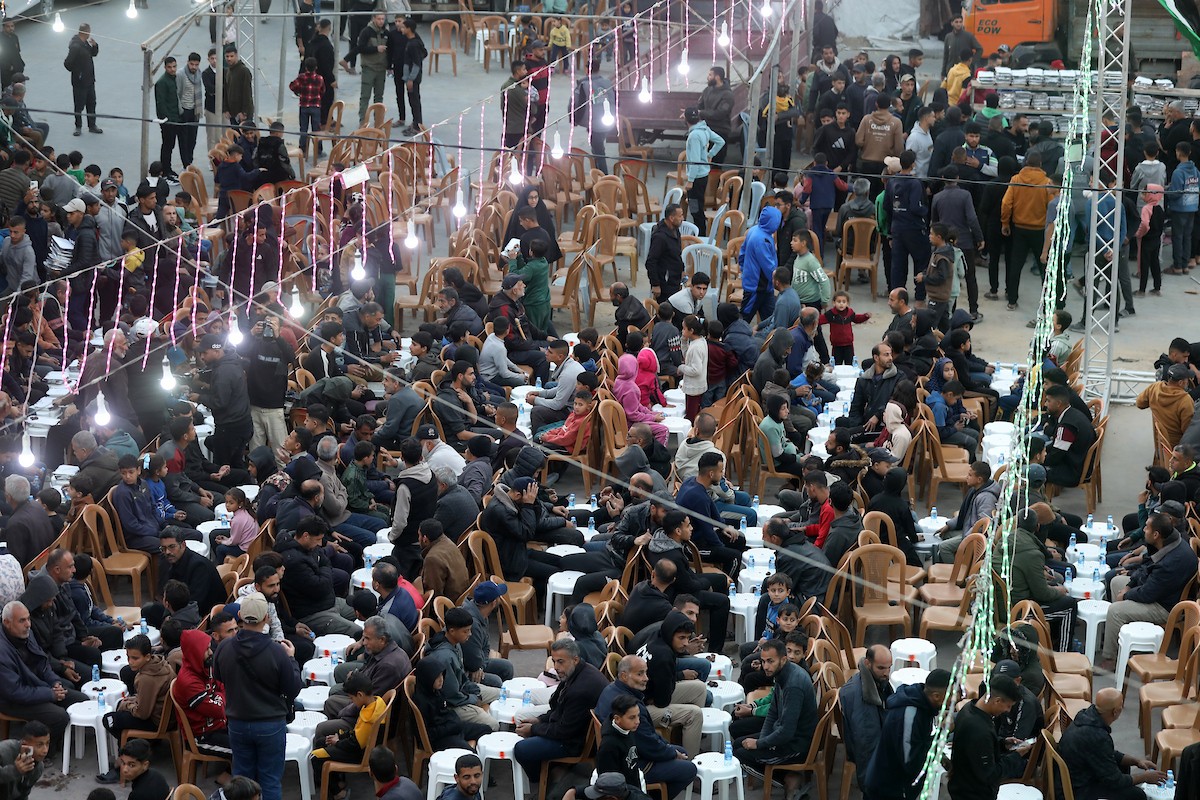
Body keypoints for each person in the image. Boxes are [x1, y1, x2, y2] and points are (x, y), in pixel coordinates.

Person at [212, 593, 302, 800]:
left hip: (238, 723)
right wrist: (292, 659)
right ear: (266, 618)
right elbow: (293, 688)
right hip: (270, 725)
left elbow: (218, 676)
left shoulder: (224, 647)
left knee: (242, 782)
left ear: (240, 616)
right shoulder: (277, 652)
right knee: (270, 780)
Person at [1100, 512, 1198, 667]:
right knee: (1116, 581)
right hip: (1159, 591)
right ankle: (1121, 637)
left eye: (1146, 527)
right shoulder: (1167, 542)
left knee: (1115, 611)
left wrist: (1126, 595)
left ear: (1156, 534)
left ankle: (1110, 659)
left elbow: (1147, 594)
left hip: (1166, 607)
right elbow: (1146, 569)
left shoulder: (1170, 562)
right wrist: (1129, 585)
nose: (1143, 530)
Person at [595, 656, 698, 800]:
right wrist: (671, 752)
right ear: (624, 676)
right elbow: (647, 745)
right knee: (689, 769)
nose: (646, 678)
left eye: (645, 672)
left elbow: (646, 738)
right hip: (633, 764)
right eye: (640, 674)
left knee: (682, 752)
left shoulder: (611, 689)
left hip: (628, 753)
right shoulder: (631, 708)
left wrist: (669, 750)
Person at [513, 639, 609, 782]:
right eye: (554, 661)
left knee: (521, 749)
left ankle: (543, 779)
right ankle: (554, 768)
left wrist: (533, 729)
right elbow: (557, 708)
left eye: (560, 662)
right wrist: (539, 720)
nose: (556, 667)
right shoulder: (577, 670)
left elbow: (563, 731)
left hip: (574, 743)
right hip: (572, 730)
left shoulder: (580, 690)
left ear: (575, 659)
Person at [732, 639, 817, 782]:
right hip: (784, 735)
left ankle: (786, 780)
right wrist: (763, 739)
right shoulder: (781, 673)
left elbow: (786, 732)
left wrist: (759, 744)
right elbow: (773, 712)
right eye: (763, 661)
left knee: (739, 755)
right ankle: (785, 774)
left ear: (783, 659)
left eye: (770, 661)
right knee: (738, 744)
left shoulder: (793, 686)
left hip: (796, 746)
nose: (765, 666)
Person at [1057, 687, 1165, 800]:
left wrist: (1137, 761)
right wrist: (1145, 777)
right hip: (1077, 791)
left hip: (1074, 777)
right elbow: (1115, 781)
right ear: (1115, 712)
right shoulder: (1097, 735)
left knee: (1123, 766)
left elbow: (1107, 753)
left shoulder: (1086, 717)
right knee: (1137, 795)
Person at [861, 669, 952, 800]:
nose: (955, 700)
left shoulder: (923, 704)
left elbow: (919, 743)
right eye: (952, 696)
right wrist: (943, 733)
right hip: (888, 789)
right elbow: (911, 763)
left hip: (894, 784)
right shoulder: (910, 716)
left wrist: (939, 753)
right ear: (936, 696)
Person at [96, 634, 174, 783]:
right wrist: (133, 700)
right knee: (126, 673)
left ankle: (126, 761)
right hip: (164, 715)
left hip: (156, 722)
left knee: (110, 719)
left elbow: (142, 713)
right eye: (128, 657)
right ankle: (141, 744)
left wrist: (127, 704)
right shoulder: (161, 663)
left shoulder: (146, 679)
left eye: (135, 658)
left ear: (147, 656)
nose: (130, 661)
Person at [947, 674, 1021, 800]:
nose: (1008, 711)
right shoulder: (980, 730)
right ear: (997, 701)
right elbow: (990, 774)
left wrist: (1002, 743)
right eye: (1008, 706)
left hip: (961, 784)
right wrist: (1016, 756)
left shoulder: (968, 708)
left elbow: (977, 748)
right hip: (973, 794)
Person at [683, 106, 724, 230]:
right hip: (703, 175)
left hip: (696, 178)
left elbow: (695, 161)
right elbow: (720, 141)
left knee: (695, 208)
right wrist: (710, 155)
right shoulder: (705, 129)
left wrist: (690, 180)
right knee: (698, 206)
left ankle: (700, 233)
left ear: (685, 119)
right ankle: (700, 231)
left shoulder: (694, 136)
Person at [1136, 364, 1194, 451]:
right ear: (1181, 383)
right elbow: (1188, 432)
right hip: (1176, 449)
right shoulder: (1185, 400)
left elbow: (1140, 403)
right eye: (1187, 380)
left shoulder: (1155, 387)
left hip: (1160, 443)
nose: (1188, 382)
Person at [573, 60, 615, 172]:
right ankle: (598, 171)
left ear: (587, 69)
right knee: (598, 146)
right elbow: (616, 100)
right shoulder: (607, 82)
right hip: (607, 120)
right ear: (598, 68)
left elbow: (578, 104)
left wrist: (575, 120)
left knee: (598, 150)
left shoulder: (584, 85)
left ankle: (603, 174)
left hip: (593, 122)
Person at [64, 24, 101, 136]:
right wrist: (78, 72)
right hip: (80, 82)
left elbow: (93, 54)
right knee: (79, 105)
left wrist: (95, 46)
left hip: (89, 80)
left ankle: (92, 125)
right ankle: (78, 126)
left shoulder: (85, 43)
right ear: (86, 32)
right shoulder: (75, 46)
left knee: (91, 103)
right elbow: (67, 63)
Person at [0, 719, 48, 800]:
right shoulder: (3, 750)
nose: (45, 750)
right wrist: (15, 770)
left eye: (47, 743)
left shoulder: (38, 767)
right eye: (39, 745)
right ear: (25, 744)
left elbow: (24, 793)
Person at [646, 204, 686, 301]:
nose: (683, 218)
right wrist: (655, 284)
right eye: (680, 216)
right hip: (665, 283)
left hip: (675, 279)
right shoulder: (660, 237)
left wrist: (682, 270)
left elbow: (676, 254)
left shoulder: (675, 230)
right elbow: (651, 261)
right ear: (671, 218)